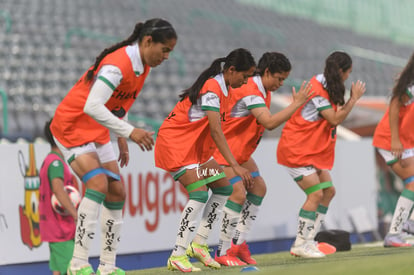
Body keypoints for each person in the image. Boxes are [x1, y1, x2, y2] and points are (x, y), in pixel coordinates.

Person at [50, 18, 177, 275]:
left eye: (170, 52)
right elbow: (92, 106)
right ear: (148, 41)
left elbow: (120, 102)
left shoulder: (143, 66)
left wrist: (120, 136)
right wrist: (129, 132)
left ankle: (107, 266)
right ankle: (78, 264)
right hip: (72, 127)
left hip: (96, 130)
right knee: (97, 184)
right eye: (164, 50)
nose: (166, 56)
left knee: (117, 192)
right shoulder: (118, 66)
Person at [154, 48, 256, 272]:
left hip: (195, 149)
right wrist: (235, 165)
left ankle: (199, 244)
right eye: (244, 76)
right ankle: (178, 254)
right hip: (176, 145)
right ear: (231, 70)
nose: (246, 80)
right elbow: (216, 131)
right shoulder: (212, 88)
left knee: (222, 188)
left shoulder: (225, 88)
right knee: (199, 194)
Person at [213, 52, 312, 266]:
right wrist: (296, 104)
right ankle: (222, 251)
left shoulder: (262, 89)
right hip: (222, 153)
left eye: (284, 79)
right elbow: (268, 122)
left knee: (259, 188)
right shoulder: (251, 91)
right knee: (238, 193)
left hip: (240, 154)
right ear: (267, 72)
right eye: (279, 78)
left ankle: (237, 244)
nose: (280, 83)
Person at [276, 51, 366, 258]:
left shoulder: (328, 86)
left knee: (328, 192)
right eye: (347, 73)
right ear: (341, 71)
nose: (347, 78)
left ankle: (309, 240)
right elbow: (334, 119)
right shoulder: (316, 89)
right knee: (315, 194)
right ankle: (300, 243)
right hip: (296, 150)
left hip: (311, 152)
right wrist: (353, 99)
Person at [373, 52, 414, 247]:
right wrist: (396, 141)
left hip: (406, 142)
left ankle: (404, 226)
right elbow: (395, 105)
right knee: (413, 183)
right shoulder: (410, 84)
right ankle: (398, 231)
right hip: (391, 140)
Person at [39, 119, 78, 275]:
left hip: (53, 227)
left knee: (58, 270)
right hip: (61, 228)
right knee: (74, 269)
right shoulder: (56, 162)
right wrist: (75, 215)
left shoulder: (50, 160)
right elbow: (58, 190)